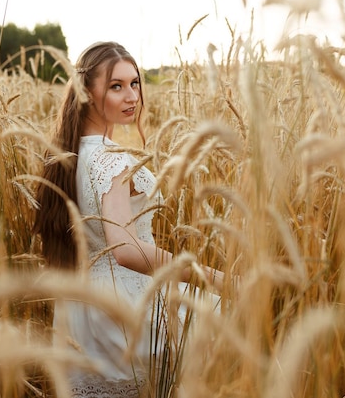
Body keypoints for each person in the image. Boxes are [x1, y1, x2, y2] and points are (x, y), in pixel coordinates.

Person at [33, 41, 225, 397]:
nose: (131, 96)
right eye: (116, 86)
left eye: (134, 83)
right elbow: (125, 249)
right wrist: (212, 277)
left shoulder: (66, 155)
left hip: (81, 308)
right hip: (126, 307)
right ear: (86, 92)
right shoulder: (114, 160)